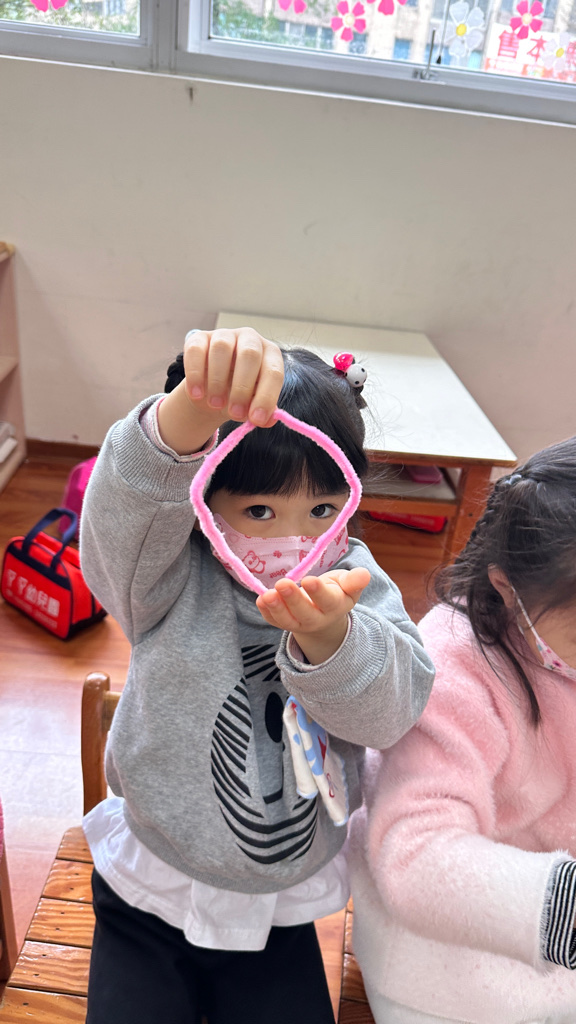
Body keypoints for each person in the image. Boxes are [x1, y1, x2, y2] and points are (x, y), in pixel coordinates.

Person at [79, 326, 435, 1024]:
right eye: (260, 510)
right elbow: (122, 521)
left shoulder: (355, 582)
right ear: (206, 496)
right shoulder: (163, 574)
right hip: (147, 889)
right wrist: (188, 412)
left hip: (279, 908)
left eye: (322, 510)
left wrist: (332, 640)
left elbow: (392, 714)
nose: (291, 539)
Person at [348, 435, 576, 1024]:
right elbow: (416, 858)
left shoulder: (558, 644)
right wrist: (564, 910)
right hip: (448, 971)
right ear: (506, 589)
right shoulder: (451, 668)